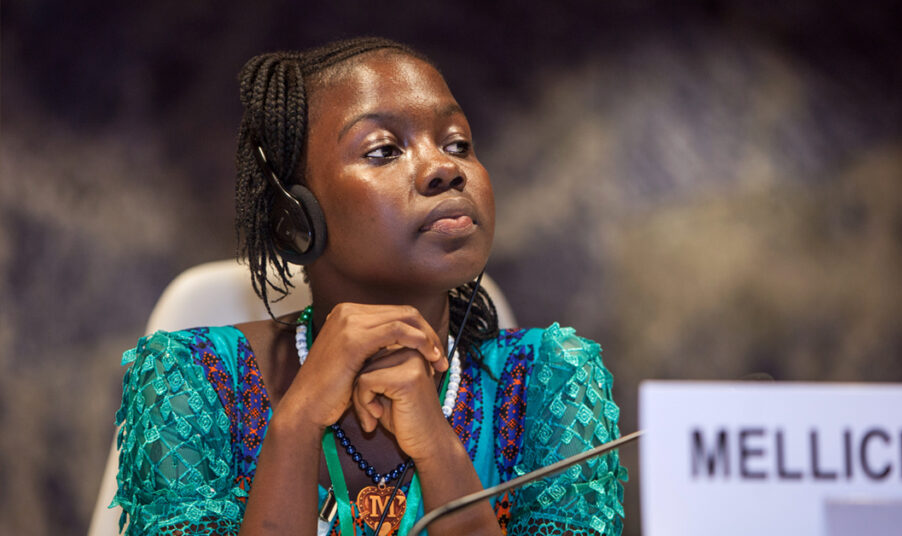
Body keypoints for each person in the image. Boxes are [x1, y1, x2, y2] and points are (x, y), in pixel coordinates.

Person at [112, 37, 626, 536]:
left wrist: (437, 447)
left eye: (458, 143)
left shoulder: (553, 380)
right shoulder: (188, 381)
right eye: (383, 150)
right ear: (295, 221)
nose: (445, 168)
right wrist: (297, 422)